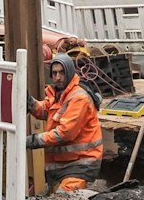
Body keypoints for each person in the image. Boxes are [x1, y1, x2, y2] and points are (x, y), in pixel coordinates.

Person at [27, 53, 103, 189]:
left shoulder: (79, 98)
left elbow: (64, 134)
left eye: (61, 73)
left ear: (69, 72)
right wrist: (30, 103)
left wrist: (31, 141)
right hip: (64, 164)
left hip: (80, 164)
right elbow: (45, 110)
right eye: (54, 73)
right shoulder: (58, 93)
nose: (57, 77)